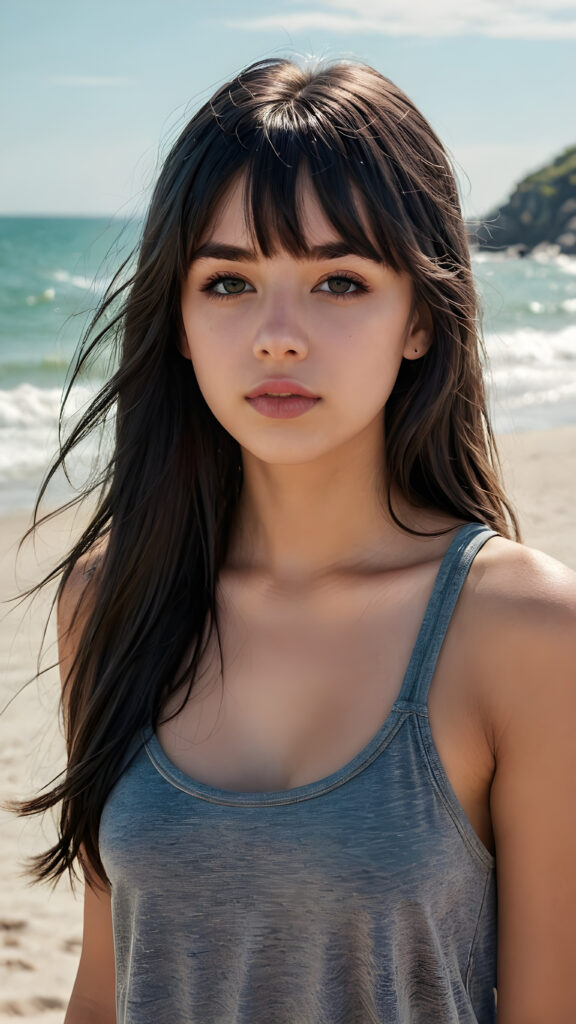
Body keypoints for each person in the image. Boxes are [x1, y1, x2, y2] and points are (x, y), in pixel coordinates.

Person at [13, 56, 576, 1024]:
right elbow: (104, 988)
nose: (277, 334)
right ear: (180, 321)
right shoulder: (112, 602)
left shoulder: (525, 630)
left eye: (340, 281)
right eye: (228, 281)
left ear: (420, 320)